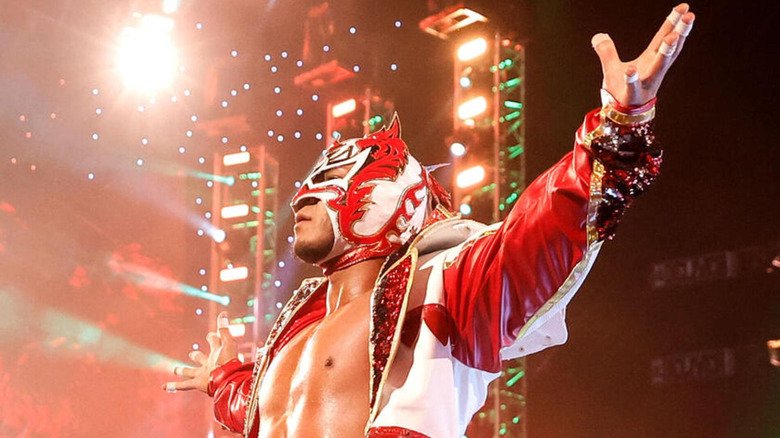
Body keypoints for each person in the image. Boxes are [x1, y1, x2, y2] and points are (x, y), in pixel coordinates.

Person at [163, 5, 695, 437]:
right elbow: (264, 414)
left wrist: (619, 125)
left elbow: (541, 231)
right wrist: (225, 379)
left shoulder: (448, 288)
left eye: (329, 180)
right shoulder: (292, 333)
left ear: (383, 195)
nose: (301, 199)